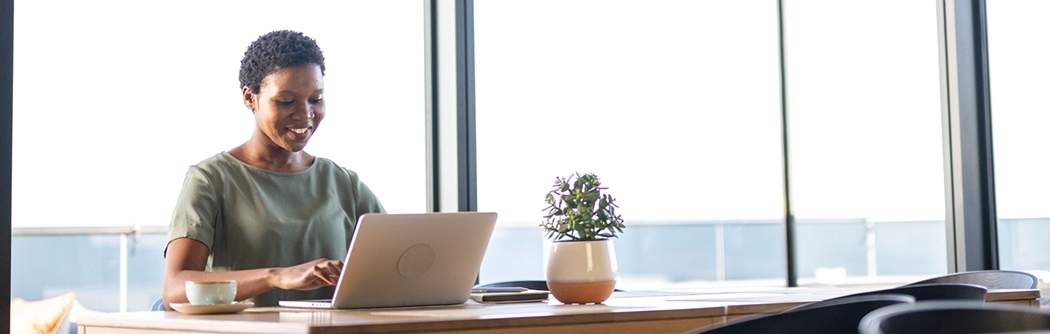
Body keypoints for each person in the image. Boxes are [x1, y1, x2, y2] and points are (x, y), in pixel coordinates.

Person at [162, 30, 385, 309]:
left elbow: (397, 266)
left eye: (315, 99)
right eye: (286, 101)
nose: (305, 114)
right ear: (249, 98)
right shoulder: (211, 180)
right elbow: (174, 289)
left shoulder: (344, 183)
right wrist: (276, 276)